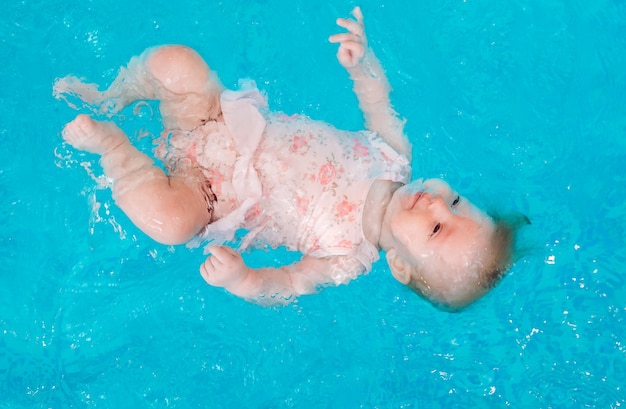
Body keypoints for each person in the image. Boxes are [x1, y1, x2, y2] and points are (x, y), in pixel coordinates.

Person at [54, 7, 520, 309]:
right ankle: (113, 94)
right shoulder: (395, 155)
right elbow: (378, 100)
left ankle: (114, 148)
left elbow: (286, 285)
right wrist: (362, 61)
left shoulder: (345, 259)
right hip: (221, 121)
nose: (437, 205)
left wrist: (242, 280)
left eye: (437, 228)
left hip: (211, 195)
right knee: (179, 63)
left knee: (170, 224)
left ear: (400, 266)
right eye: (456, 201)